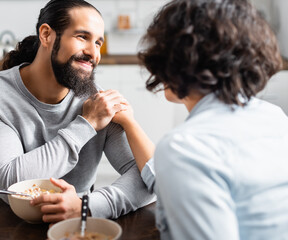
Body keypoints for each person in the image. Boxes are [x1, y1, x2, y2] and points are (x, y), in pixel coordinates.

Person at [0, 0, 154, 223]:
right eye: (82, 37)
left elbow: (148, 177)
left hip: (76, 225)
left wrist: (86, 207)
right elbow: (9, 180)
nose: (94, 53)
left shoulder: (99, 103)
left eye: (99, 42)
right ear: (46, 35)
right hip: (3, 221)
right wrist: (86, 125)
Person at [115, 0, 288, 239]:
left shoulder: (186, 148)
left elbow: (188, 163)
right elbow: (171, 184)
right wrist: (129, 122)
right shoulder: (273, 116)